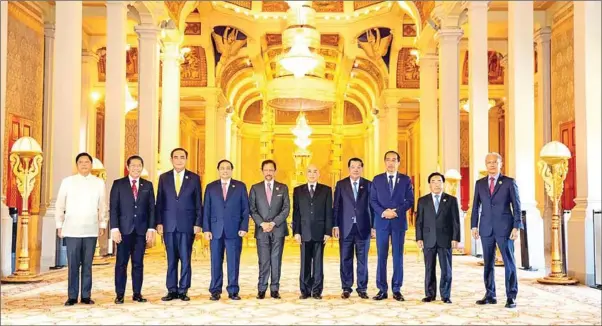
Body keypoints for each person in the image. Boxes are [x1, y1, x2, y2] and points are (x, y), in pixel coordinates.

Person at [471, 152, 523, 308]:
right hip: (486, 228)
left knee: (509, 262)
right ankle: (490, 294)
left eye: (495, 162)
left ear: (501, 164)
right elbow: (475, 206)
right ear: (485, 165)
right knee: (488, 263)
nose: (492, 165)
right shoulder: (480, 184)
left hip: (505, 228)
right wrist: (474, 225)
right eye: (489, 162)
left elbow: (517, 206)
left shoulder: (509, 182)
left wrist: (516, 226)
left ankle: (511, 296)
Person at [55, 152, 107, 306]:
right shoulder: (67, 182)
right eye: (81, 162)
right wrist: (59, 225)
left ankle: (85, 295)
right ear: (77, 165)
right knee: (72, 265)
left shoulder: (99, 183)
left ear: (91, 165)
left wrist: (102, 224)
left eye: (87, 162)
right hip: (71, 229)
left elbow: (103, 205)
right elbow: (60, 205)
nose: (84, 164)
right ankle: (72, 295)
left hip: (91, 229)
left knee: (87, 264)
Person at [156, 148, 202, 302]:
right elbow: (159, 202)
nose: (179, 160)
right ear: (171, 160)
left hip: (187, 225)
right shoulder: (163, 178)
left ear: (186, 159)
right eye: (176, 157)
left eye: (182, 157)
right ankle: (171, 290)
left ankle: (183, 290)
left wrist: (198, 223)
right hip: (169, 225)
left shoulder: (194, 178)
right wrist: (159, 222)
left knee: (185, 259)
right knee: (171, 259)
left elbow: (198, 203)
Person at [109, 155, 155, 304]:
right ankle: (120, 294)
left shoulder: (147, 185)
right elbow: (113, 208)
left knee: (138, 263)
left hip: (141, 231)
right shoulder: (118, 184)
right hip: (123, 231)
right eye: (133, 165)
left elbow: (151, 209)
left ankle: (137, 293)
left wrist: (151, 228)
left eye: (139, 165)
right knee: (121, 264)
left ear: (142, 167)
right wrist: (114, 228)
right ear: (127, 167)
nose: (136, 168)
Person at [369, 150, 414, 301]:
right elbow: (373, 200)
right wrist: (383, 212)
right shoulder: (377, 180)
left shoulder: (406, 180)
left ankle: (396, 289)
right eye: (388, 159)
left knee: (397, 256)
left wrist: (396, 212)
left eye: (394, 160)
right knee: (381, 256)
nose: (391, 162)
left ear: (398, 162)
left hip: (398, 222)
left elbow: (410, 200)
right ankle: (382, 289)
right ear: (384, 162)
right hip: (382, 223)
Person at [203, 159, 249, 301]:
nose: (225, 170)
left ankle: (233, 290)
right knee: (215, 261)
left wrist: (243, 226)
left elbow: (245, 208)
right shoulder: (211, 187)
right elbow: (207, 209)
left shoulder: (240, 186)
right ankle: (215, 290)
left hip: (234, 230)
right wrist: (206, 229)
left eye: (228, 168)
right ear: (218, 170)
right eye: (222, 168)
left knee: (233, 261)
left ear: (231, 170)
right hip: (215, 230)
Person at [415, 172, 460, 304]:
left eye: (439, 181)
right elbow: (419, 221)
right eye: (433, 181)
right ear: (429, 184)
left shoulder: (451, 200)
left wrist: (455, 238)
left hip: (445, 238)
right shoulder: (423, 200)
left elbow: (455, 221)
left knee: (446, 268)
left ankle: (445, 295)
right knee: (429, 268)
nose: (436, 184)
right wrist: (419, 237)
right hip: (428, 238)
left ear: (443, 183)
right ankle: (430, 294)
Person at [332, 158, 373, 299]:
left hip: (364, 227)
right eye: (353, 167)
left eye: (358, 167)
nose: (356, 169)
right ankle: (346, 287)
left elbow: (372, 207)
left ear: (362, 168)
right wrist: (335, 225)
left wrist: (373, 226)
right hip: (345, 227)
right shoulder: (341, 184)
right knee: (345, 259)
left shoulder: (368, 184)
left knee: (363, 259)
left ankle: (362, 288)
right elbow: (336, 206)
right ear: (348, 168)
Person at [249, 159, 290, 299]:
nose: (268, 173)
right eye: (266, 170)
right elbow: (252, 209)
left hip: (278, 229)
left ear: (275, 171)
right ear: (262, 171)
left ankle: (274, 289)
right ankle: (261, 288)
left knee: (276, 259)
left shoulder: (283, 188)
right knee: (264, 260)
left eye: (271, 170)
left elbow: (286, 209)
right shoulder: (255, 188)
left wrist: (273, 223)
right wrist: (262, 223)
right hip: (261, 230)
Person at [292, 164, 333, 299]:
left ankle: (316, 291)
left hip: (320, 232)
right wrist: (296, 232)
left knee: (318, 263)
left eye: (315, 171)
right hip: (304, 232)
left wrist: (328, 231)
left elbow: (329, 212)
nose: (312, 174)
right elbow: (296, 213)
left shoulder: (326, 190)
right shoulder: (298, 190)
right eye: (309, 171)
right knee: (304, 262)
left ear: (319, 174)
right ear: (306, 174)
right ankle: (304, 290)